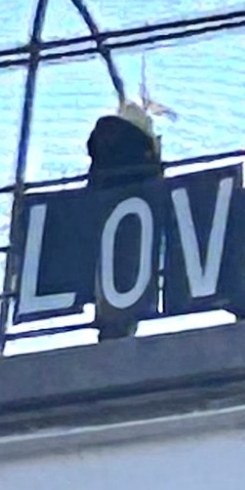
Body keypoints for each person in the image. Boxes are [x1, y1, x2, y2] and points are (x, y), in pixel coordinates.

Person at [85, 101, 163, 340]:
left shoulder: (104, 143)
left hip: (110, 215)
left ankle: (110, 323)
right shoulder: (139, 158)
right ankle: (116, 324)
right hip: (128, 219)